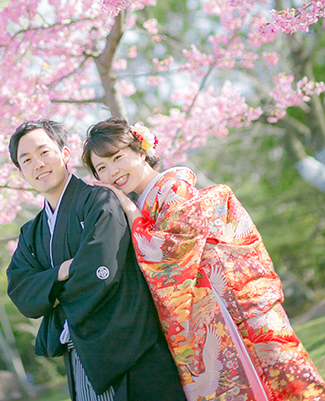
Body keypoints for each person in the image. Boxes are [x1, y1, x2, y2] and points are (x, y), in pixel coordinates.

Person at [82, 116, 325, 401]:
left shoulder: (175, 190)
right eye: (102, 168)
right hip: (212, 316)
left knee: (283, 380)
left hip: (234, 310)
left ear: (141, 151)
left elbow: (169, 252)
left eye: (117, 158)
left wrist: (129, 209)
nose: (113, 171)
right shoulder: (150, 204)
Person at [6, 119, 188, 401]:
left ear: (64, 154)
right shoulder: (31, 232)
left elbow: (100, 272)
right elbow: (21, 293)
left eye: (44, 152)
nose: (38, 164)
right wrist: (62, 271)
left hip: (131, 349)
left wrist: (47, 290)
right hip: (79, 357)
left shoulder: (99, 200)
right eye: (26, 160)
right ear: (20, 171)